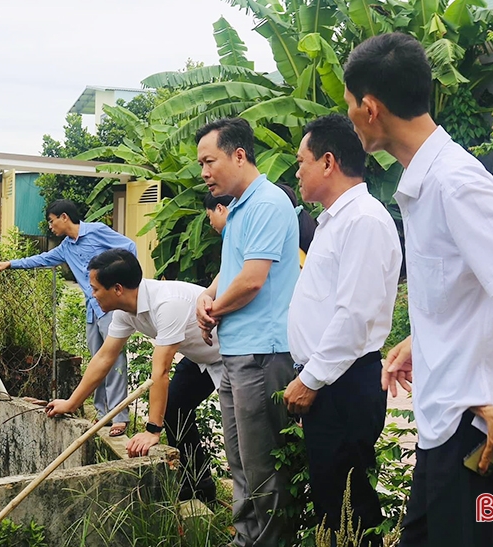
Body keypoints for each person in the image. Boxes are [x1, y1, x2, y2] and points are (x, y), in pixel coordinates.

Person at [343, 33, 493, 546]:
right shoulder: (427, 181)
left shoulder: (454, 182)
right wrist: (421, 339)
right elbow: (473, 292)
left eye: (351, 104)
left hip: (473, 437)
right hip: (444, 429)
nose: (351, 116)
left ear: (371, 108)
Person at [282, 114, 401, 545]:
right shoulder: (336, 220)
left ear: (328, 162)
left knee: (350, 504)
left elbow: (354, 315)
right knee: (334, 502)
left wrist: (310, 379)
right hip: (330, 381)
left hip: (342, 383)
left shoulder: (363, 221)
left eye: (302, 161)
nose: (297, 172)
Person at [195, 117, 300, 547]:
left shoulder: (266, 204)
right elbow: (232, 270)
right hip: (237, 354)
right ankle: (245, 539)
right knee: (239, 461)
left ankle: (269, 542)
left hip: (263, 353)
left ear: (239, 155)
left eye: (209, 161)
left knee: (263, 467)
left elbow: (254, 279)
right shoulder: (239, 207)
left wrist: (214, 310)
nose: (204, 172)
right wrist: (207, 297)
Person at [45, 248, 222, 502]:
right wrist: (72, 403)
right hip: (200, 356)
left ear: (117, 288)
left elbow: (160, 370)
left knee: (237, 429)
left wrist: (152, 430)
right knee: (175, 408)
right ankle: (198, 483)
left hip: (230, 357)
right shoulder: (124, 311)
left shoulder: (167, 303)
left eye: (95, 289)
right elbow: (104, 358)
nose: (92, 295)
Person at [0, 199, 137, 437]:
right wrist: (10, 264)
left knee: (114, 359)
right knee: (97, 359)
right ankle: (101, 413)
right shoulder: (66, 247)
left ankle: (119, 416)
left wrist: (121, 282)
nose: (50, 226)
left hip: (111, 307)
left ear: (64, 217)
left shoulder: (96, 230)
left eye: (51, 220)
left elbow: (129, 246)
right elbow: (41, 259)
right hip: (92, 308)